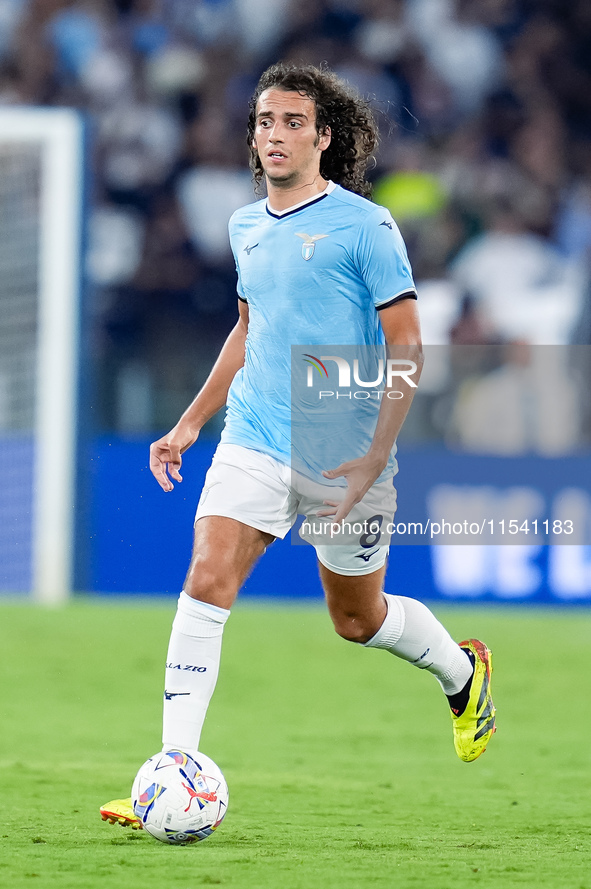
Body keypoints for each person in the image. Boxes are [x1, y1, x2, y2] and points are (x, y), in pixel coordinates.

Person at [100, 63, 495, 829]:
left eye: (289, 122)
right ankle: (170, 771)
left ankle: (461, 671)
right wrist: (188, 421)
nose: (273, 135)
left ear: (322, 136)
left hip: (341, 443)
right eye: (262, 121)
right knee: (207, 577)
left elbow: (406, 342)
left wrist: (378, 448)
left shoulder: (366, 227)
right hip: (252, 434)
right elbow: (248, 330)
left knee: (357, 618)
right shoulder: (245, 225)